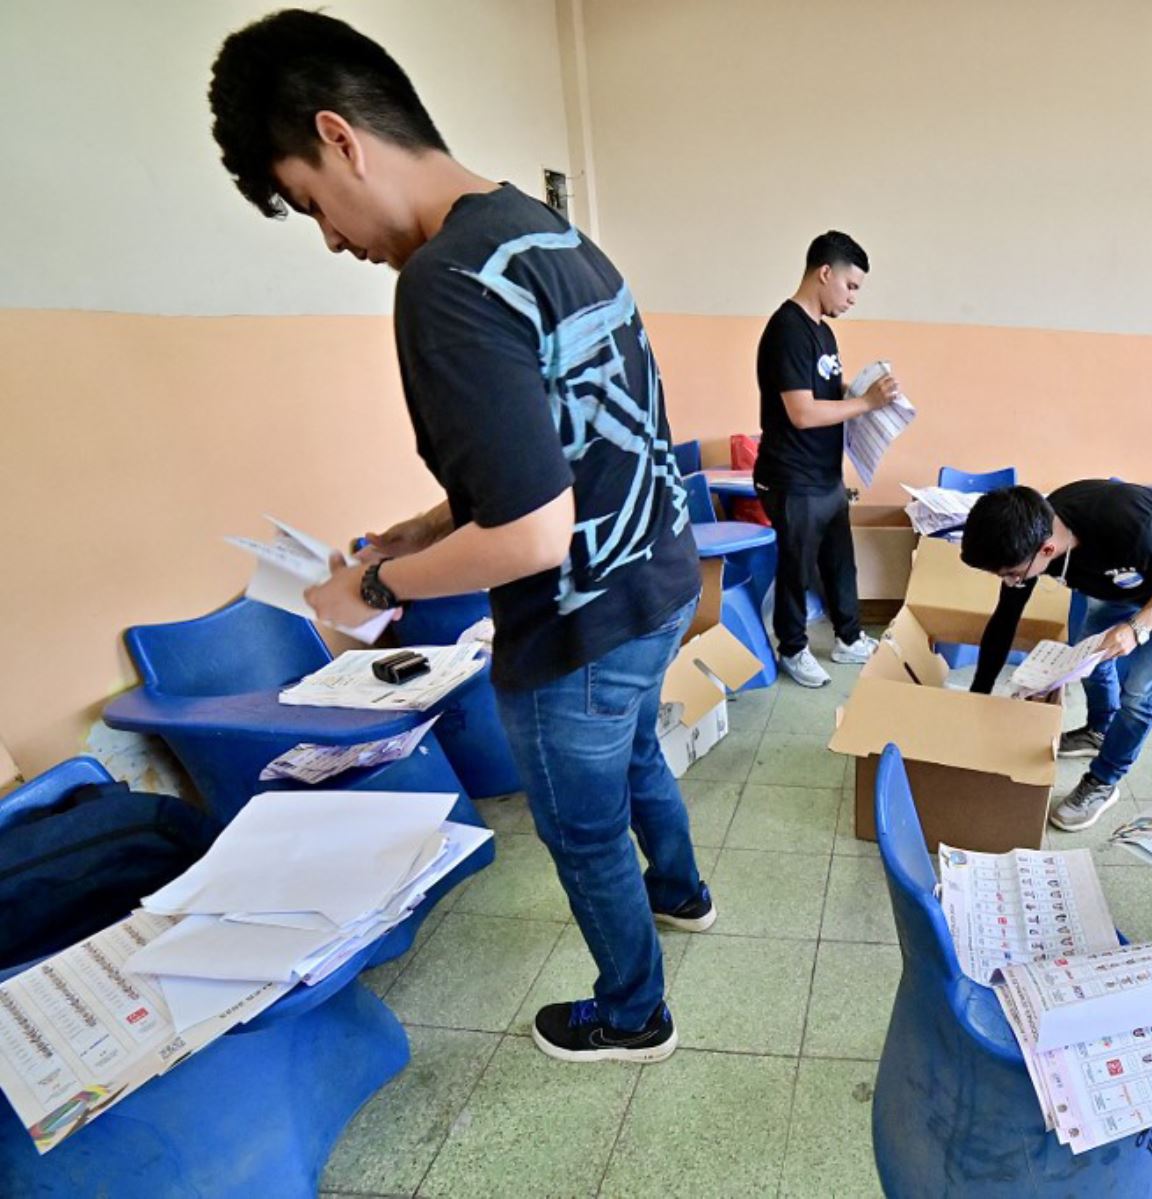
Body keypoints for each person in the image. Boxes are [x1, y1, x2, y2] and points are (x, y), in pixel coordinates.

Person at [210, 10, 711, 1065]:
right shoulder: (545, 234)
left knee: (579, 826)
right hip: (661, 577)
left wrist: (374, 580)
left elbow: (531, 533)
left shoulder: (442, 282)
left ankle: (633, 1011)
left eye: (312, 205)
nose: (336, 240)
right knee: (632, 754)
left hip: (577, 621)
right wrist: (431, 520)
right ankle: (684, 890)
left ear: (340, 136)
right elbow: (561, 440)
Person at [960, 483, 1152, 829]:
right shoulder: (1030, 536)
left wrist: (1138, 627)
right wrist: (979, 698)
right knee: (1089, 658)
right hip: (1122, 582)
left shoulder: (1130, 526)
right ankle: (1098, 729)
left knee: (1139, 693)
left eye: (1011, 574)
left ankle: (1104, 780)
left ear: (1047, 549)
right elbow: (1005, 618)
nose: (1008, 582)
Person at [754, 231, 898, 687]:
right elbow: (801, 412)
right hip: (791, 476)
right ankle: (792, 648)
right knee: (796, 568)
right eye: (851, 286)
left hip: (824, 474)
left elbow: (825, 394)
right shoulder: (787, 330)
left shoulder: (824, 332)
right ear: (824, 273)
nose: (853, 298)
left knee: (839, 561)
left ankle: (848, 638)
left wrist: (860, 392)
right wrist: (868, 404)